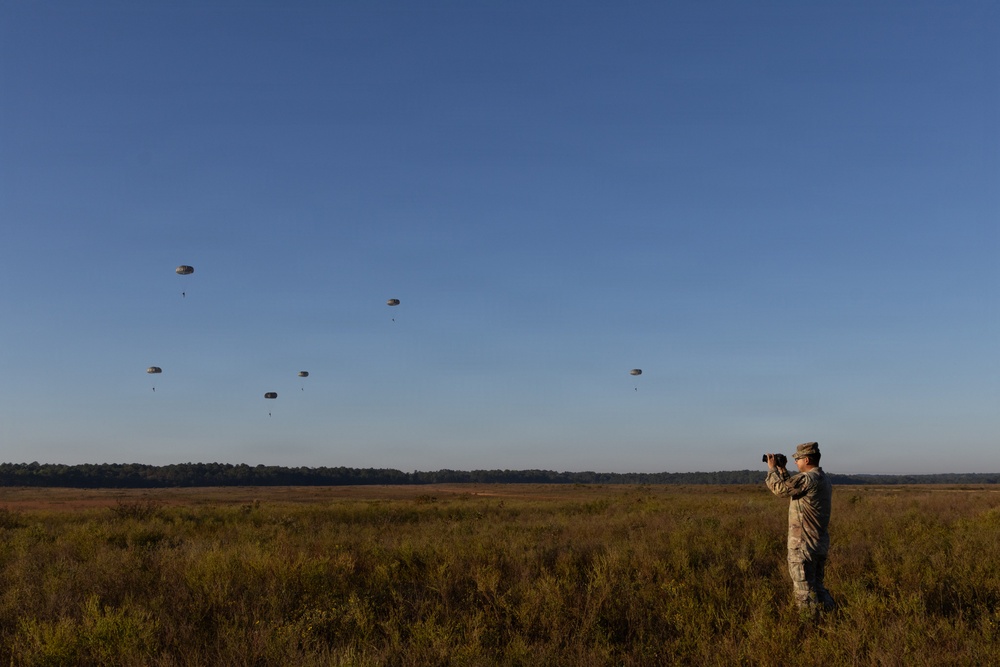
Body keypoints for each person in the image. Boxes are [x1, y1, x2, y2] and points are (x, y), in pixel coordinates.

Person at [765, 441, 835, 619]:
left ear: (807, 459)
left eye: (798, 459)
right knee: (817, 587)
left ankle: (810, 628)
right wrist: (782, 471)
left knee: (804, 592)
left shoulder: (808, 478)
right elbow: (793, 488)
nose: (795, 462)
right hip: (818, 543)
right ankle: (833, 617)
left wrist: (772, 469)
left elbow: (781, 489)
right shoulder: (823, 478)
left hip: (803, 544)